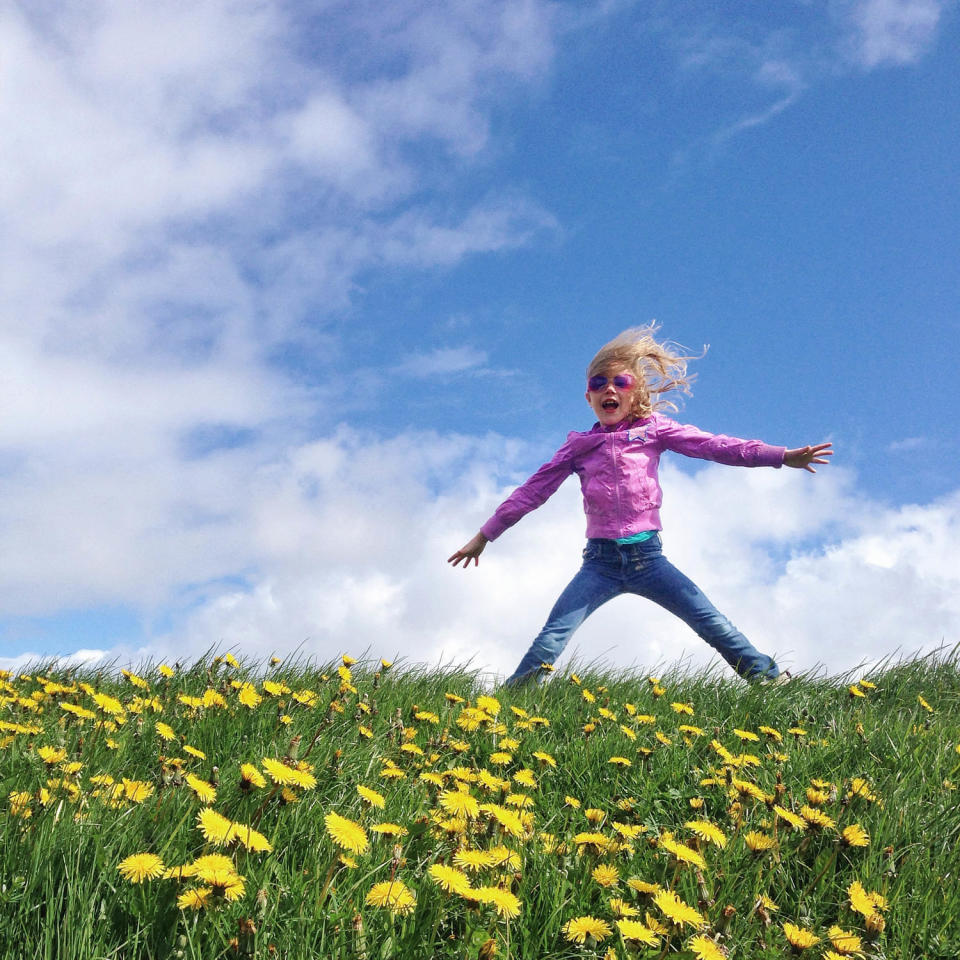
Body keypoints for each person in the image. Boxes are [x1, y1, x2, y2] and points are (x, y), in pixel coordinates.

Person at [448, 325, 832, 686]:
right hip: (599, 564)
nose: (608, 389)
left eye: (620, 382)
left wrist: (780, 456)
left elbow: (717, 446)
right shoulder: (579, 447)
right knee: (552, 637)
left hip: (649, 559)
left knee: (709, 621)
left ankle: (768, 679)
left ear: (634, 393)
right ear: (589, 397)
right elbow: (532, 491)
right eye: (599, 384)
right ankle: (511, 703)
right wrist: (485, 535)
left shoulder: (654, 431)